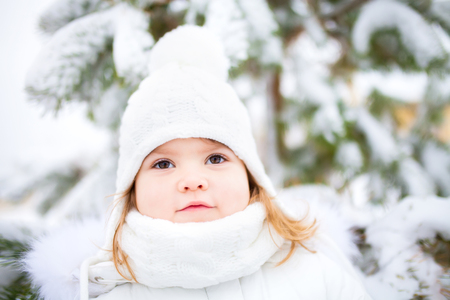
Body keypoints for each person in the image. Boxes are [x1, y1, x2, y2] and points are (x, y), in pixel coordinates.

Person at [25, 25, 372, 300]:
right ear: (131, 189)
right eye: (163, 164)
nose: (192, 180)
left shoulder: (313, 274)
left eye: (216, 158)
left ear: (252, 177)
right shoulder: (111, 293)